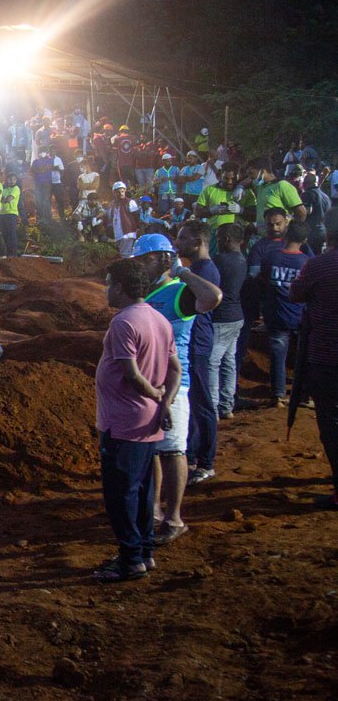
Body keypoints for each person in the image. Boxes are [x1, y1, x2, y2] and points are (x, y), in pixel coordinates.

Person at [93, 259, 180, 582]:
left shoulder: (123, 323)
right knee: (143, 490)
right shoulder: (159, 319)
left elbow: (131, 374)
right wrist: (166, 402)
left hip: (124, 422)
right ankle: (144, 551)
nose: (105, 289)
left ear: (118, 286)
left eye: (107, 283)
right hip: (148, 422)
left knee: (121, 494)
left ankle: (130, 558)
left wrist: (157, 396)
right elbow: (175, 368)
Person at [132, 233, 223, 546]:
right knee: (154, 451)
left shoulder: (178, 292)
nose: (140, 267)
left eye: (145, 260)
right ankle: (155, 511)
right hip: (146, 383)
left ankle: (174, 517)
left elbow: (212, 298)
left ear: (160, 258)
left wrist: (181, 270)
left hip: (173, 385)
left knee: (172, 451)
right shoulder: (145, 293)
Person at [290, 223, 338, 509]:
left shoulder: (316, 265)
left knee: (331, 425)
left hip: (327, 358)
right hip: (326, 357)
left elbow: (295, 295)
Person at [176, 222, 222, 485]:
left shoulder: (204, 271)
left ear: (198, 242)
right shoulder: (198, 269)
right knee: (194, 402)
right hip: (193, 343)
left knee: (203, 404)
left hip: (198, 345)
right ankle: (193, 455)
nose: (178, 242)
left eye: (183, 238)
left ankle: (206, 462)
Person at [257, 221, 311, 407]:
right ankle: (303, 396)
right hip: (299, 316)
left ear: (286, 234)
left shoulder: (271, 256)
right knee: (303, 357)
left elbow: (262, 280)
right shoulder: (305, 262)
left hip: (276, 315)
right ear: (304, 240)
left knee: (278, 357)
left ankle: (278, 396)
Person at [209, 223, 248, 419]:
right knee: (228, 362)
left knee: (212, 363)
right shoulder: (242, 260)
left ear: (225, 239)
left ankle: (213, 408)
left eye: (218, 237)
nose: (216, 241)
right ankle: (226, 406)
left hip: (221, 318)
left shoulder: (220, 260)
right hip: (236, 316)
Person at [107, 181, 142, 256]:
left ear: (125, 191)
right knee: (124, 254)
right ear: (114, 193)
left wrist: (137, 228)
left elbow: (136, 216)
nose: (121, 193)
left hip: (127, 233)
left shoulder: (130, 202)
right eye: (118, 192)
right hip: (118, 234)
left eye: (122, 191)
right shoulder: (113, 204)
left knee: (125, 255)